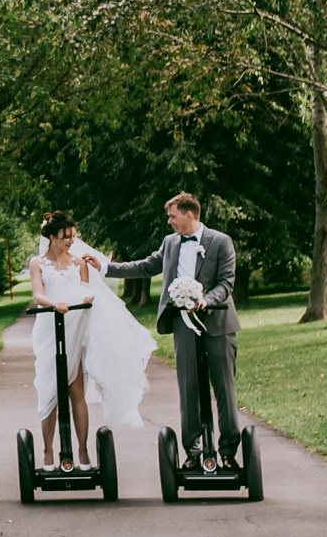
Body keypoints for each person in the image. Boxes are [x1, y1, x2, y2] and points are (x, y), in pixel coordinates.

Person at [89, 192, 242, 471]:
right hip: (183, 325)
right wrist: (106, 268)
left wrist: (206, 300)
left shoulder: (221, 242)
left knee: (224, 389)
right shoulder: (170, 243)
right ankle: (193, 452)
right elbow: (146, 266)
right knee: (188, 390)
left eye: (172, 216)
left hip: (218, 325)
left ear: (189, 214)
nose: (169, 222)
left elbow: (226, 282)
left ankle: (229, 452)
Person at [26, 211, 155, 468]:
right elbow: (38, 294)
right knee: (49, 389)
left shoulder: (79, 263)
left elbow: (88, 291)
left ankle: (83, 452)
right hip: (50, 326)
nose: (70, 241)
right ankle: (48, 453)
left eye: (73, 236)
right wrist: (55, 303)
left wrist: (87, 299)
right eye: (65, 237)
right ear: (51, 237)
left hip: (76, 326)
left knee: (76, 389)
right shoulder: (37, 263)